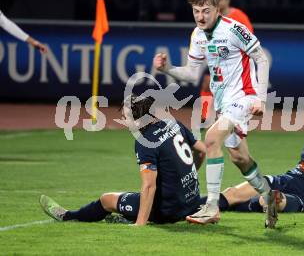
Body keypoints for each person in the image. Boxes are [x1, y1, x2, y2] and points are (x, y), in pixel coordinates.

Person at [152, 0, 275, 227]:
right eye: (196, 11)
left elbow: (261, 58)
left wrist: (260, 98)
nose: (200, 16)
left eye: (206, 11)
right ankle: (268, 195)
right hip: (224, 103)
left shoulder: (234, 29)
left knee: (210, 139)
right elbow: (191, 73)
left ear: (217, 9)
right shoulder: (197, 35)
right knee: (240, 158)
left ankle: (211, 207)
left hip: (245, 97)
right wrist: (166, 69)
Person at [40, 94, 207, 225]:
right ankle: (129, 217)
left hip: (169, 210)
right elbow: (202, 151)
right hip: (191, 203)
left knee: (107, 199)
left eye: (127, 118)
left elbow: (149, 186)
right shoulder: (173, 122)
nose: (125, 122)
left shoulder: (145, 141)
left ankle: (68, 217)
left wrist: (140, 224)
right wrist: (185, 177)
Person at [200, 0, 254, 124]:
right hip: (217, 58)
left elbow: (250, 38)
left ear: (227, 0)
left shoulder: (239, 16)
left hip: (235, 60)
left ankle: (238, 117)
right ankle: (205, 116)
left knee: (233, 90)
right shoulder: (212, 17)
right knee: (206, 83)